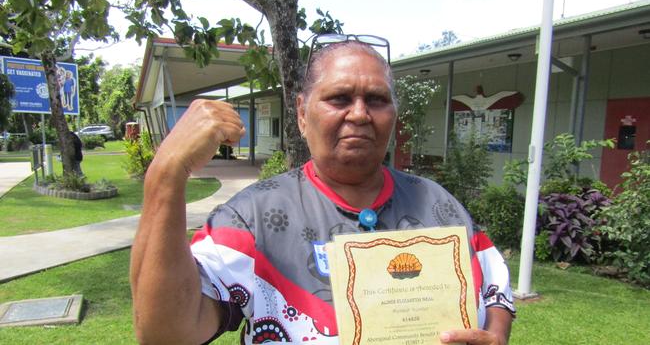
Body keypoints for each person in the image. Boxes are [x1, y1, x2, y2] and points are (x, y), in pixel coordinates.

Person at [130, 35, 515, 345]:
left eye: (377, 99)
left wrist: (495, 333)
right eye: (340, 98)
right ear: (301, 113)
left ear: (394, 115)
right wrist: (166, 175)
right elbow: (164, 334)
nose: (360, 113)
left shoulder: (438, 204)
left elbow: (495, 284)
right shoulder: (251, 218)